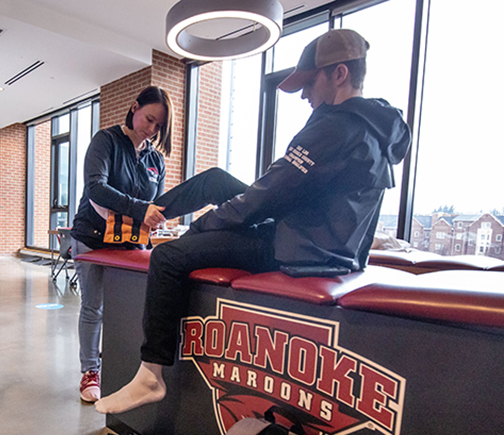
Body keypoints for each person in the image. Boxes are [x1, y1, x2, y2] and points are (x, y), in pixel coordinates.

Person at [95, 29, 412, 414]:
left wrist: (206, 227)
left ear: (339, 74)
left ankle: (150, 375)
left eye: (309, 84)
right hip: (321, 240)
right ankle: (148, 214)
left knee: (170, 257)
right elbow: (282, 190)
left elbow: (269, 194)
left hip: (299, 250)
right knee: (215, 180)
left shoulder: (334, 127)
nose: (304, 95)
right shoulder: (374, 128)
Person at [70, 86, 173, 402]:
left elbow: (156, 202)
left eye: (158, 126)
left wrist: (157, 215)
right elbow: (96, 189)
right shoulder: (107, 141)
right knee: (94, 307)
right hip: (92, 239)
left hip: (132, 245)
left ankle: (121, 367)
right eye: (150, 119)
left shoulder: (156, 159)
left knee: (132, 309)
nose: (152, 129)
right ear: (134, 106)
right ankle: (90, 371)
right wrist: (142, 209)